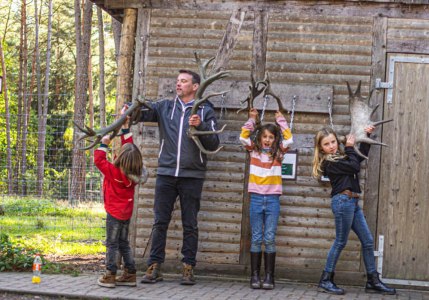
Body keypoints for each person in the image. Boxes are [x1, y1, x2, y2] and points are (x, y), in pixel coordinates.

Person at [133, 69, 220, 285]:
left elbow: (214, 144)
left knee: (190, 224)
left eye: (183, 81)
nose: (178, 84)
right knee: (160, 221)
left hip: (193, 176)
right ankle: (154, 266)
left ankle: (188, 267)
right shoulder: (165, 107)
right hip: (166, 173)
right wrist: (130, 109)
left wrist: (199, 125)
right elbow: (140, 114)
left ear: (195, 86)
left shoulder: (206, 111)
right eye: (177, 81)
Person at [311, 127, 396, 295]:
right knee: (340, 242)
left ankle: (372, 281)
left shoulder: (341, 157)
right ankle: (326, 279)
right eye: (327, 144)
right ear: (321, 148)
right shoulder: (329, 162)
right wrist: (349, 147)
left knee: (368, 241)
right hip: (342, 202)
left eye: (333, 142)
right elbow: (354, 167)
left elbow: (359, 159)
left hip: (352, 202)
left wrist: (366, 136)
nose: (332, 146)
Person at [239, 108, 293, 290]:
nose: (268, 140)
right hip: (255, 198)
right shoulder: (253, 152)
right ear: (260, 138)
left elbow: (290, 140)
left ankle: (269, 276)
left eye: (271, 137)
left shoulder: (278, 155)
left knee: (269, 238)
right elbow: (243, 137)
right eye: (265, 137)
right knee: (256, 238)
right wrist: (252, 119)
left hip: (272, 200)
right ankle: (254, 276)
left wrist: (281, 121)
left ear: (275, 139)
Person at [94, 117, 146, 288]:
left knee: (111, 243)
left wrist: (104, 143)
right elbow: (130, 149)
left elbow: (99, 160)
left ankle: (110, 275)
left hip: (114, 214)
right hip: (126, 214)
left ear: (121, 158)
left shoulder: (114, 172)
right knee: (124, 243)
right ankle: (130, 273)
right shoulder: (135, 173)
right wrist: (125, 130)